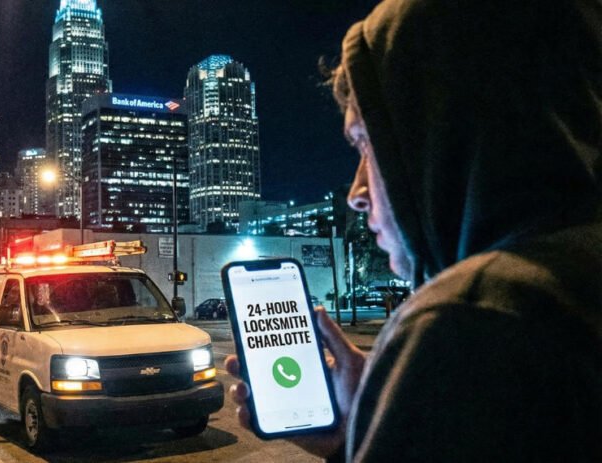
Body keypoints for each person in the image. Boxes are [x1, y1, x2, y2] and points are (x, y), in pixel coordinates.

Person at [226, 0, 601, 461]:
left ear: (449, 131)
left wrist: (423, 386)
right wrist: (372, 424)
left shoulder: (472, 319)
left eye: (368, 143)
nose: (357, 191)